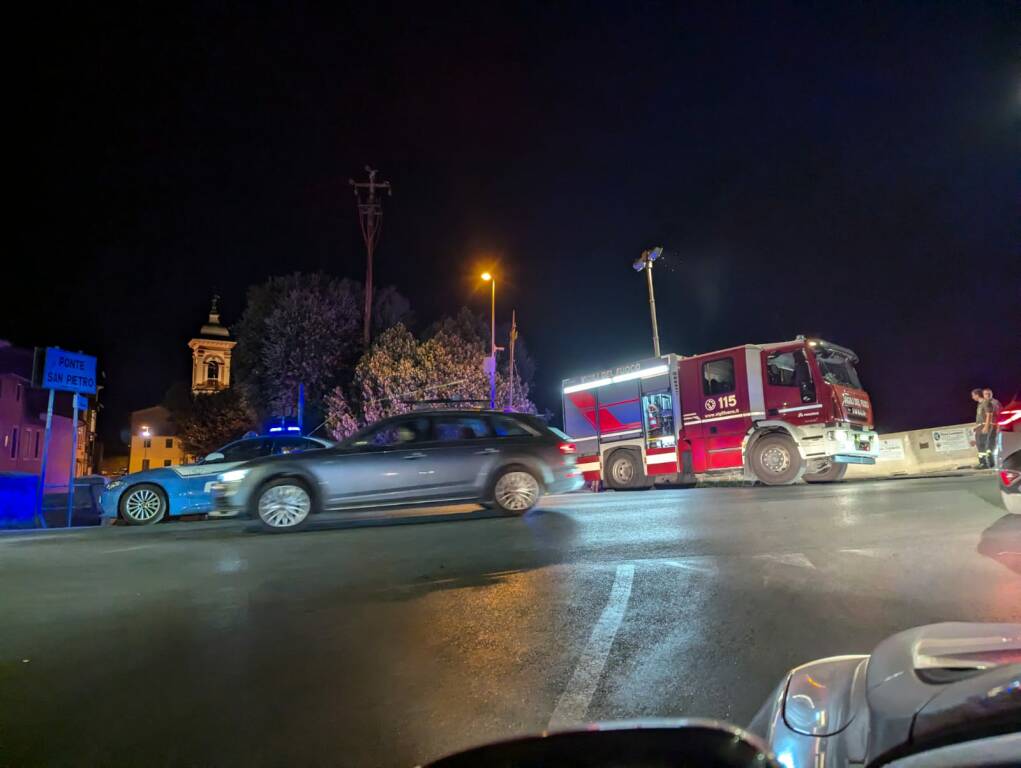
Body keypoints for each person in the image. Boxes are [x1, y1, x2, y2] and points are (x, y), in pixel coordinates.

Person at [972, 388, 994, 468]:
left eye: (973, 395)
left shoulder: (986, 402)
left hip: (984, 426)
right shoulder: (980, 404)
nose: (972, 397)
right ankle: (989, 462)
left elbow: (989, 415)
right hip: (980, 426)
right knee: (982, 445)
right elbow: (981, 417)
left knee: (981, 445)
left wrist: (986, 426)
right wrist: (977, 426)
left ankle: (984, 463)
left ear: (977, 395)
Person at [983, 388, 1002, 465]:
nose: (987, 395)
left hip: (994, 426)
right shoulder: (984, 403)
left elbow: (1000, 415)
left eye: (989, 393)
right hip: (988, 427)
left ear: (992, 394)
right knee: (987, 444)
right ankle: (989, 462)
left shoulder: (995, 403)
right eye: (986, 394)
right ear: (983, 395)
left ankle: (992, 462)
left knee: (992, 444)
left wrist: (998, 427)